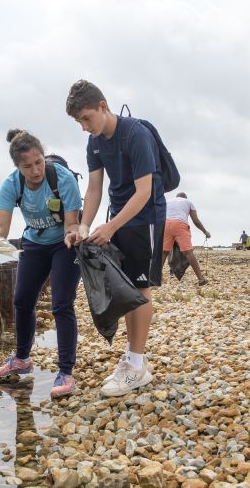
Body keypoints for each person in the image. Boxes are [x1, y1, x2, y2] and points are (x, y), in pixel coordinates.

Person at [65, 79, 165, 397]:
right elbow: (94, 189)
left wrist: (110, 228)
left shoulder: (136, 133)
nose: (83, 126)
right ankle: (133, 360)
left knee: (141, 287)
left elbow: (145, 191)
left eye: (86, 118)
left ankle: (136, 364)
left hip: (146, 216)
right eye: (79, 121)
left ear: (102, 107)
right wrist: (83, 227)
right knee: (123, 286)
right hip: (119, 216)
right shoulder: (94, 143)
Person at [0, 129, 82, 398]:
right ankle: (21, 359)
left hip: (65, 242)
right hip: (34, 242)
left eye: (39, 162)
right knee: (21, 300)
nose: (36, 170)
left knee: (61, 304)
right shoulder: (11, 184)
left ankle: (65, 371)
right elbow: (1, 226)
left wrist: (72, 235)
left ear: (43, 157)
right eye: (27, 166)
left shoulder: (61, 178)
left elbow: (72, 223)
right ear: (17, 166)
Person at [162, 192, 211, 285]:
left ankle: (156, 279)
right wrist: (205, 231)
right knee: (188, 252)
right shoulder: (188, 202)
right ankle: (201, 279)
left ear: (177, 197)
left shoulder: (167, 202)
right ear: (185, 198)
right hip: (180, 225)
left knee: (164, 252)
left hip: (166, 224)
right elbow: (195, 221)